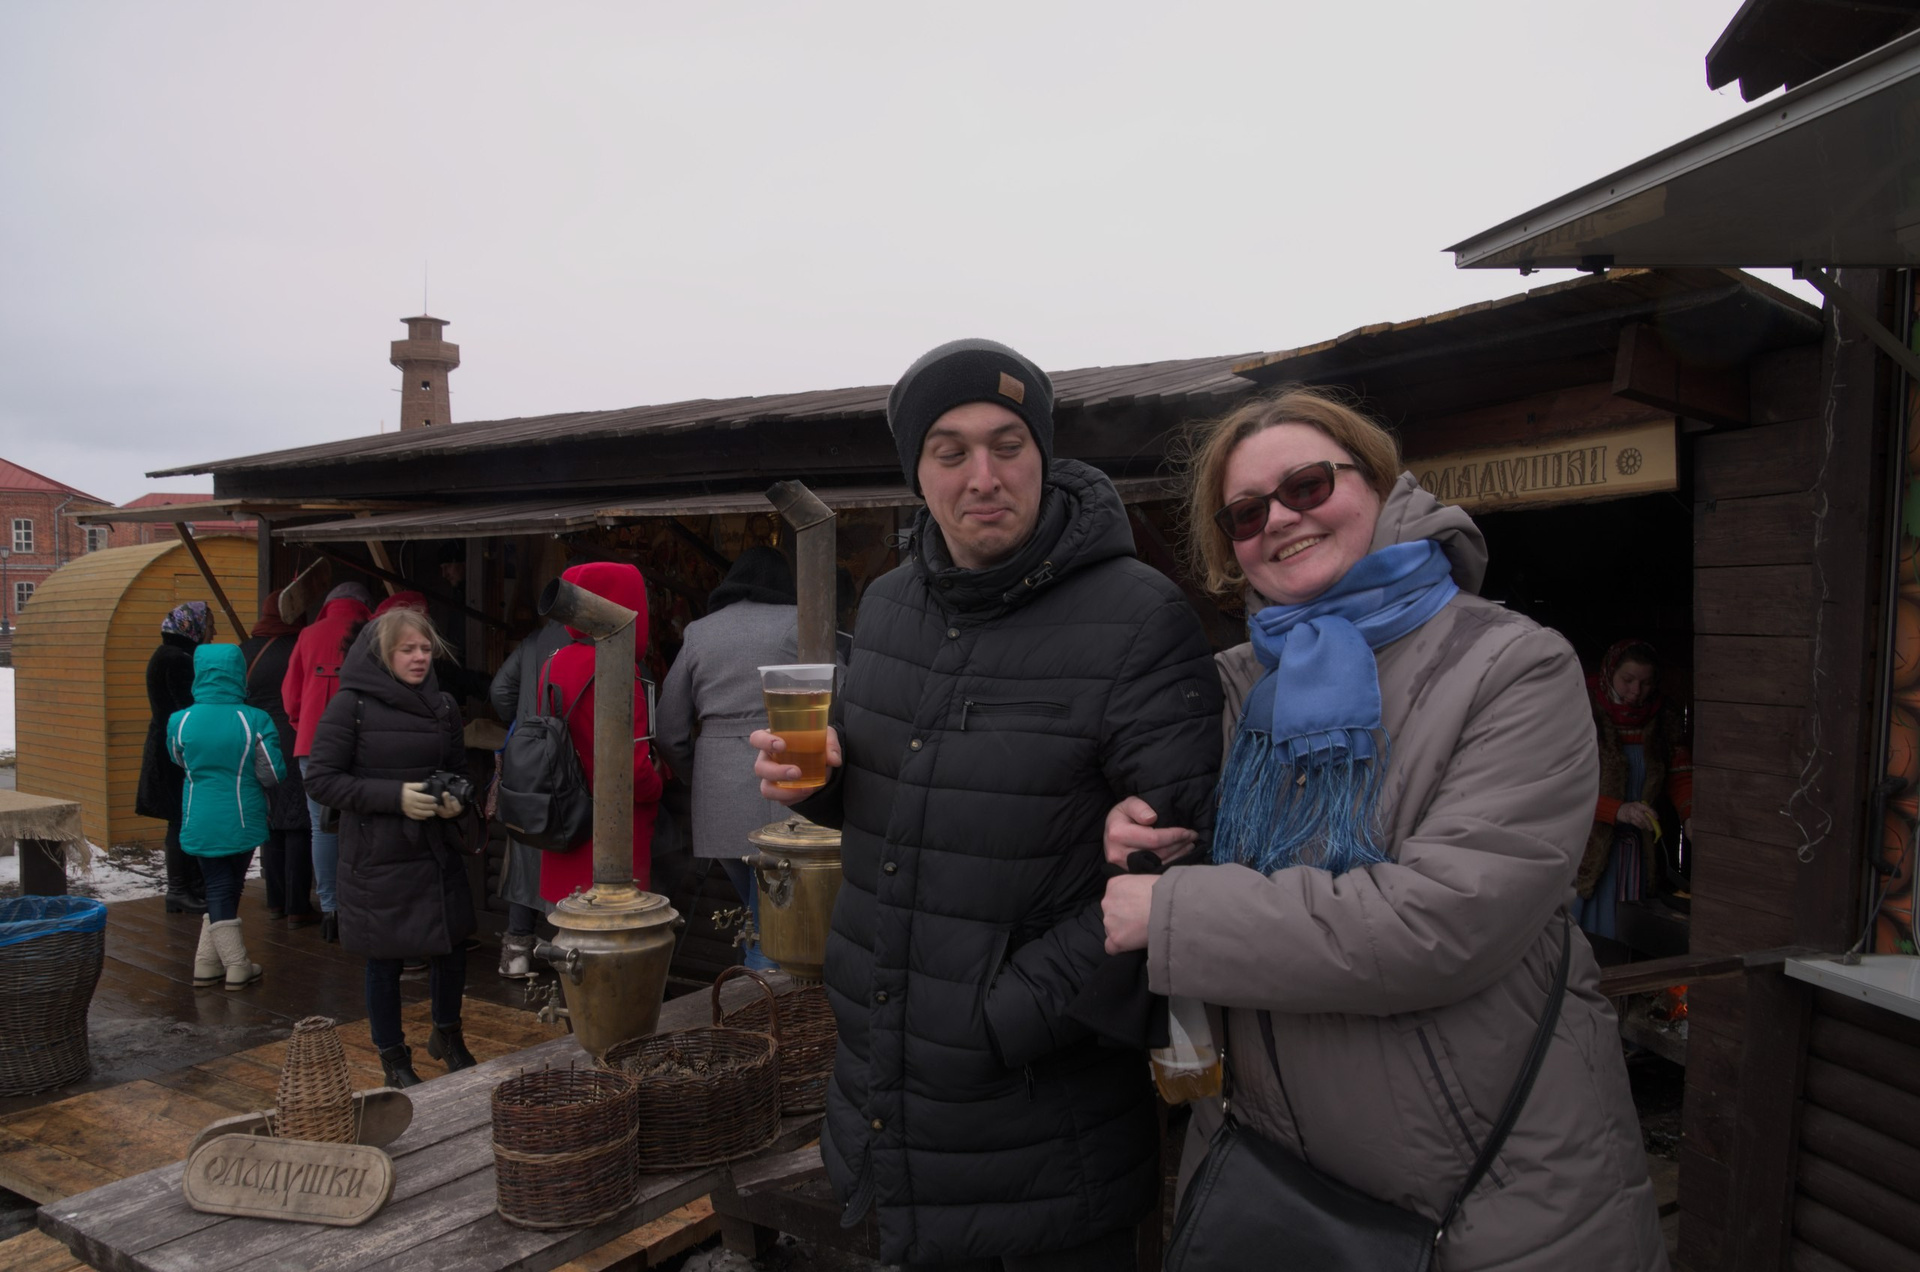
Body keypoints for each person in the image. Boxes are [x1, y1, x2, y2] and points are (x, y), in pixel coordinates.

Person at [1097, 387, 1667, 1271]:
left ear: (1379, 482)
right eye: (1247, 513)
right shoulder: (1232, 685)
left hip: (1488, 1203)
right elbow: (1175, 820)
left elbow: (1441, 924)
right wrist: (1139, 827)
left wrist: (1175, 914)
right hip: (1275, 1184)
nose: (1280, 519)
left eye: (1308, 486)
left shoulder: (1511, 665)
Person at [748, 339, 1223, 1269]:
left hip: (1042, 1119)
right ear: (917, 474)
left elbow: (1181, 856)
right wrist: (828, 784)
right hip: (888, 1098)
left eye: (1009, 445)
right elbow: (922, 802)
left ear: (1043, 455)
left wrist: (1004, 1014)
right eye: (950, 451)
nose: (984, 476)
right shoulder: (890, 605)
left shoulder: (1138, 617)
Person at [303, 608, 478, 1088]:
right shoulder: (351, 705)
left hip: (434, 851)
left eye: (425, 649)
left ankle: (448, 1036)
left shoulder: (443, 706)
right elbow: (321, 780)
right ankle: (393, 1058)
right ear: (383, 654)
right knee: (384, 960)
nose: (419, 657)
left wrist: (454, 803)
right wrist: (395, 797)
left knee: (450, 948)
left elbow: (459, 771)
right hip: (376, 856)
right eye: (407, 649)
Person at [657, 547, 801, 972]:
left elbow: (668, 729)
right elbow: (842, 694)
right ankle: (764, 1008)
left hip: (716, 790)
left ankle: (751, 998)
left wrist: (695, 775)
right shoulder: (801, 622)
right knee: (772, 919)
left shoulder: (699, 632)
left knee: (758, 916)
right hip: (784, 780)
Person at [538, 561, 663, 900]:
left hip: (563, 824)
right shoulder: (620, 667)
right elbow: (634, 770)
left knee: (565, 926)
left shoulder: (553, 661)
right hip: (612, 841)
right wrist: (657, 783)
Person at [168, 643, 286, 989]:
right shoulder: (254, 719)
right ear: (239, 672)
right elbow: (272, 774)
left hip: (197, 815)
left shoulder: (180, 720)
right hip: (243, 816)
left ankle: (206, 963)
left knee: (221, 886)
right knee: (225, 885)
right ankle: (237, 965)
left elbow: (179, 759)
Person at [1575, 638, 1693, 942]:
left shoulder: (1662, 719)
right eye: (1627, 680)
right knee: (1584, 935)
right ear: (1609, 672)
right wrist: (1617, 810)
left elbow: (1679, 774)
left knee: (1628, 930)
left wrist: (1690, 815)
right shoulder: (1582, 712)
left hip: (1635, 855)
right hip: (1586, 847)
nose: (1636, 691)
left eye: (1645, 683)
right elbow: (1561, 788)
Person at [282, 581, 374, 941]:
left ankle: (330, 909)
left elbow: (291, 697)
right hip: (363, 739)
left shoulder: (307, 635)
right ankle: (363, 904)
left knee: (321, 827)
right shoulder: (371, 632)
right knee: (366, 823)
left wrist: (304, 726)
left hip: (312, 743)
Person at [487, 614, 573, 975]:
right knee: (568, 849)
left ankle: (516, 954)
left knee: (525, 849)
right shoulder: (593, 642)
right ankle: (567, 952)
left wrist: (525, 723)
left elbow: (500, 691)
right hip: (569, 760)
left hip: (526, 759)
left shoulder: (534, 641)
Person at [238, 590, 317, 926]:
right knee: (298, 822)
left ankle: (275, 901)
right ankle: (297, 906)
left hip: (256, 742)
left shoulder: (245, 650)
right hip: (294, 739)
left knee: (270, 821)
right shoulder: (300, 646)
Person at [136, 601, 215, 913]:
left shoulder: (169, 655)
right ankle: (181, 889)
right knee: (181, 819)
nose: (213, 633)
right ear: (192, 626)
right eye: (209, 626)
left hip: (168, 747)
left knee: (181, 818)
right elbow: (188, 708)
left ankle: (187, 887)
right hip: (175, 753)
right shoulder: (178, 660)